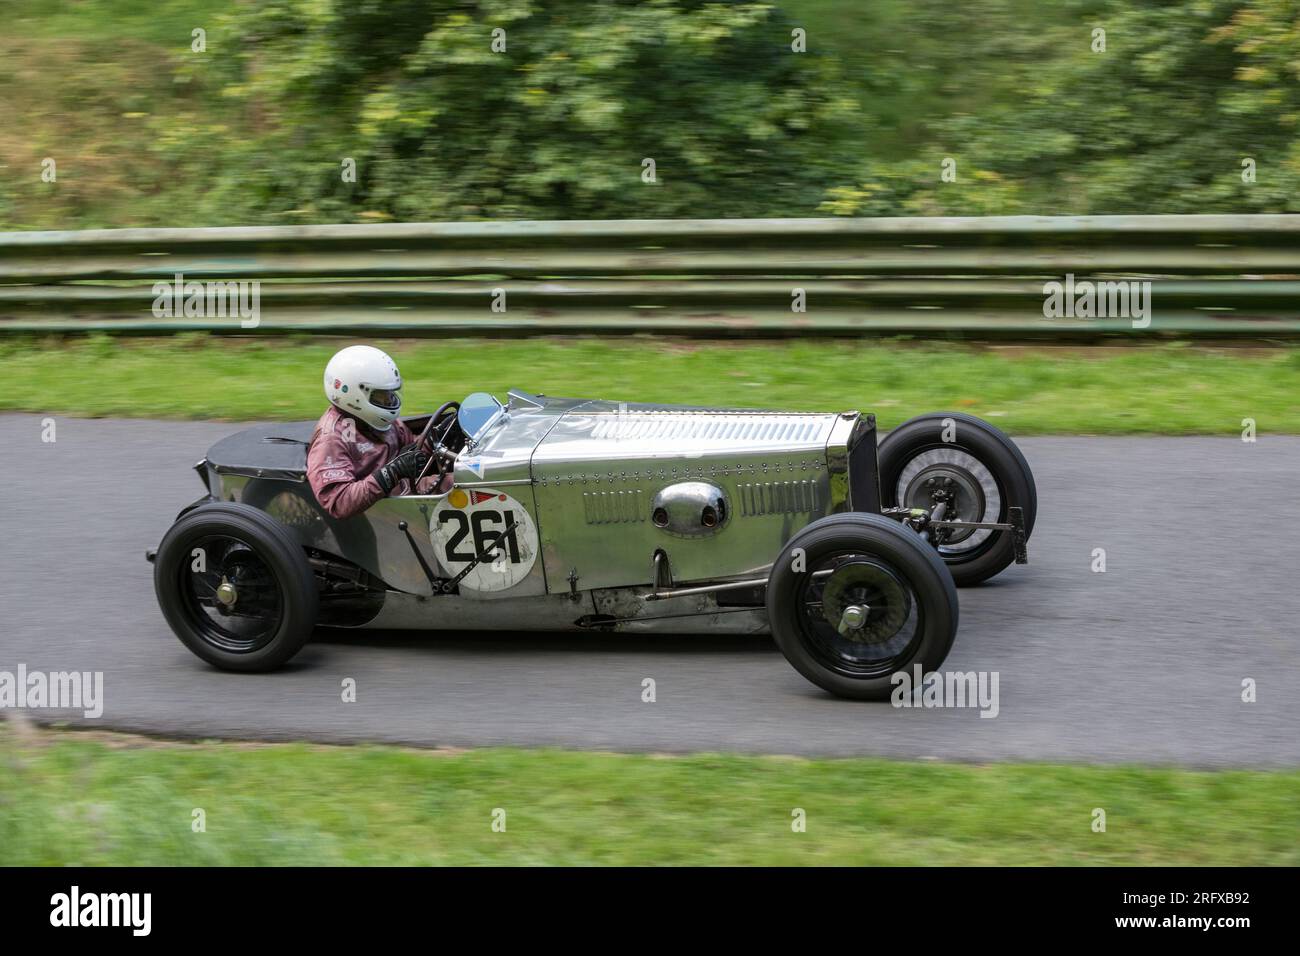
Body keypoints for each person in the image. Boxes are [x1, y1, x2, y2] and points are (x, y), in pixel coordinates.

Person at [306, 345, 450, 519]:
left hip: (403, 492)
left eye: (390, 394)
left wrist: (437, 437)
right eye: (382, 395)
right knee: (464, 485)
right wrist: (390, 474)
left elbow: (411, 450)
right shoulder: (332, 439)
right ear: (353, 394)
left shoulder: (374, 421)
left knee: (465, 474)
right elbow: (339, 502)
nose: (390, 400)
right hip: (387, 508)